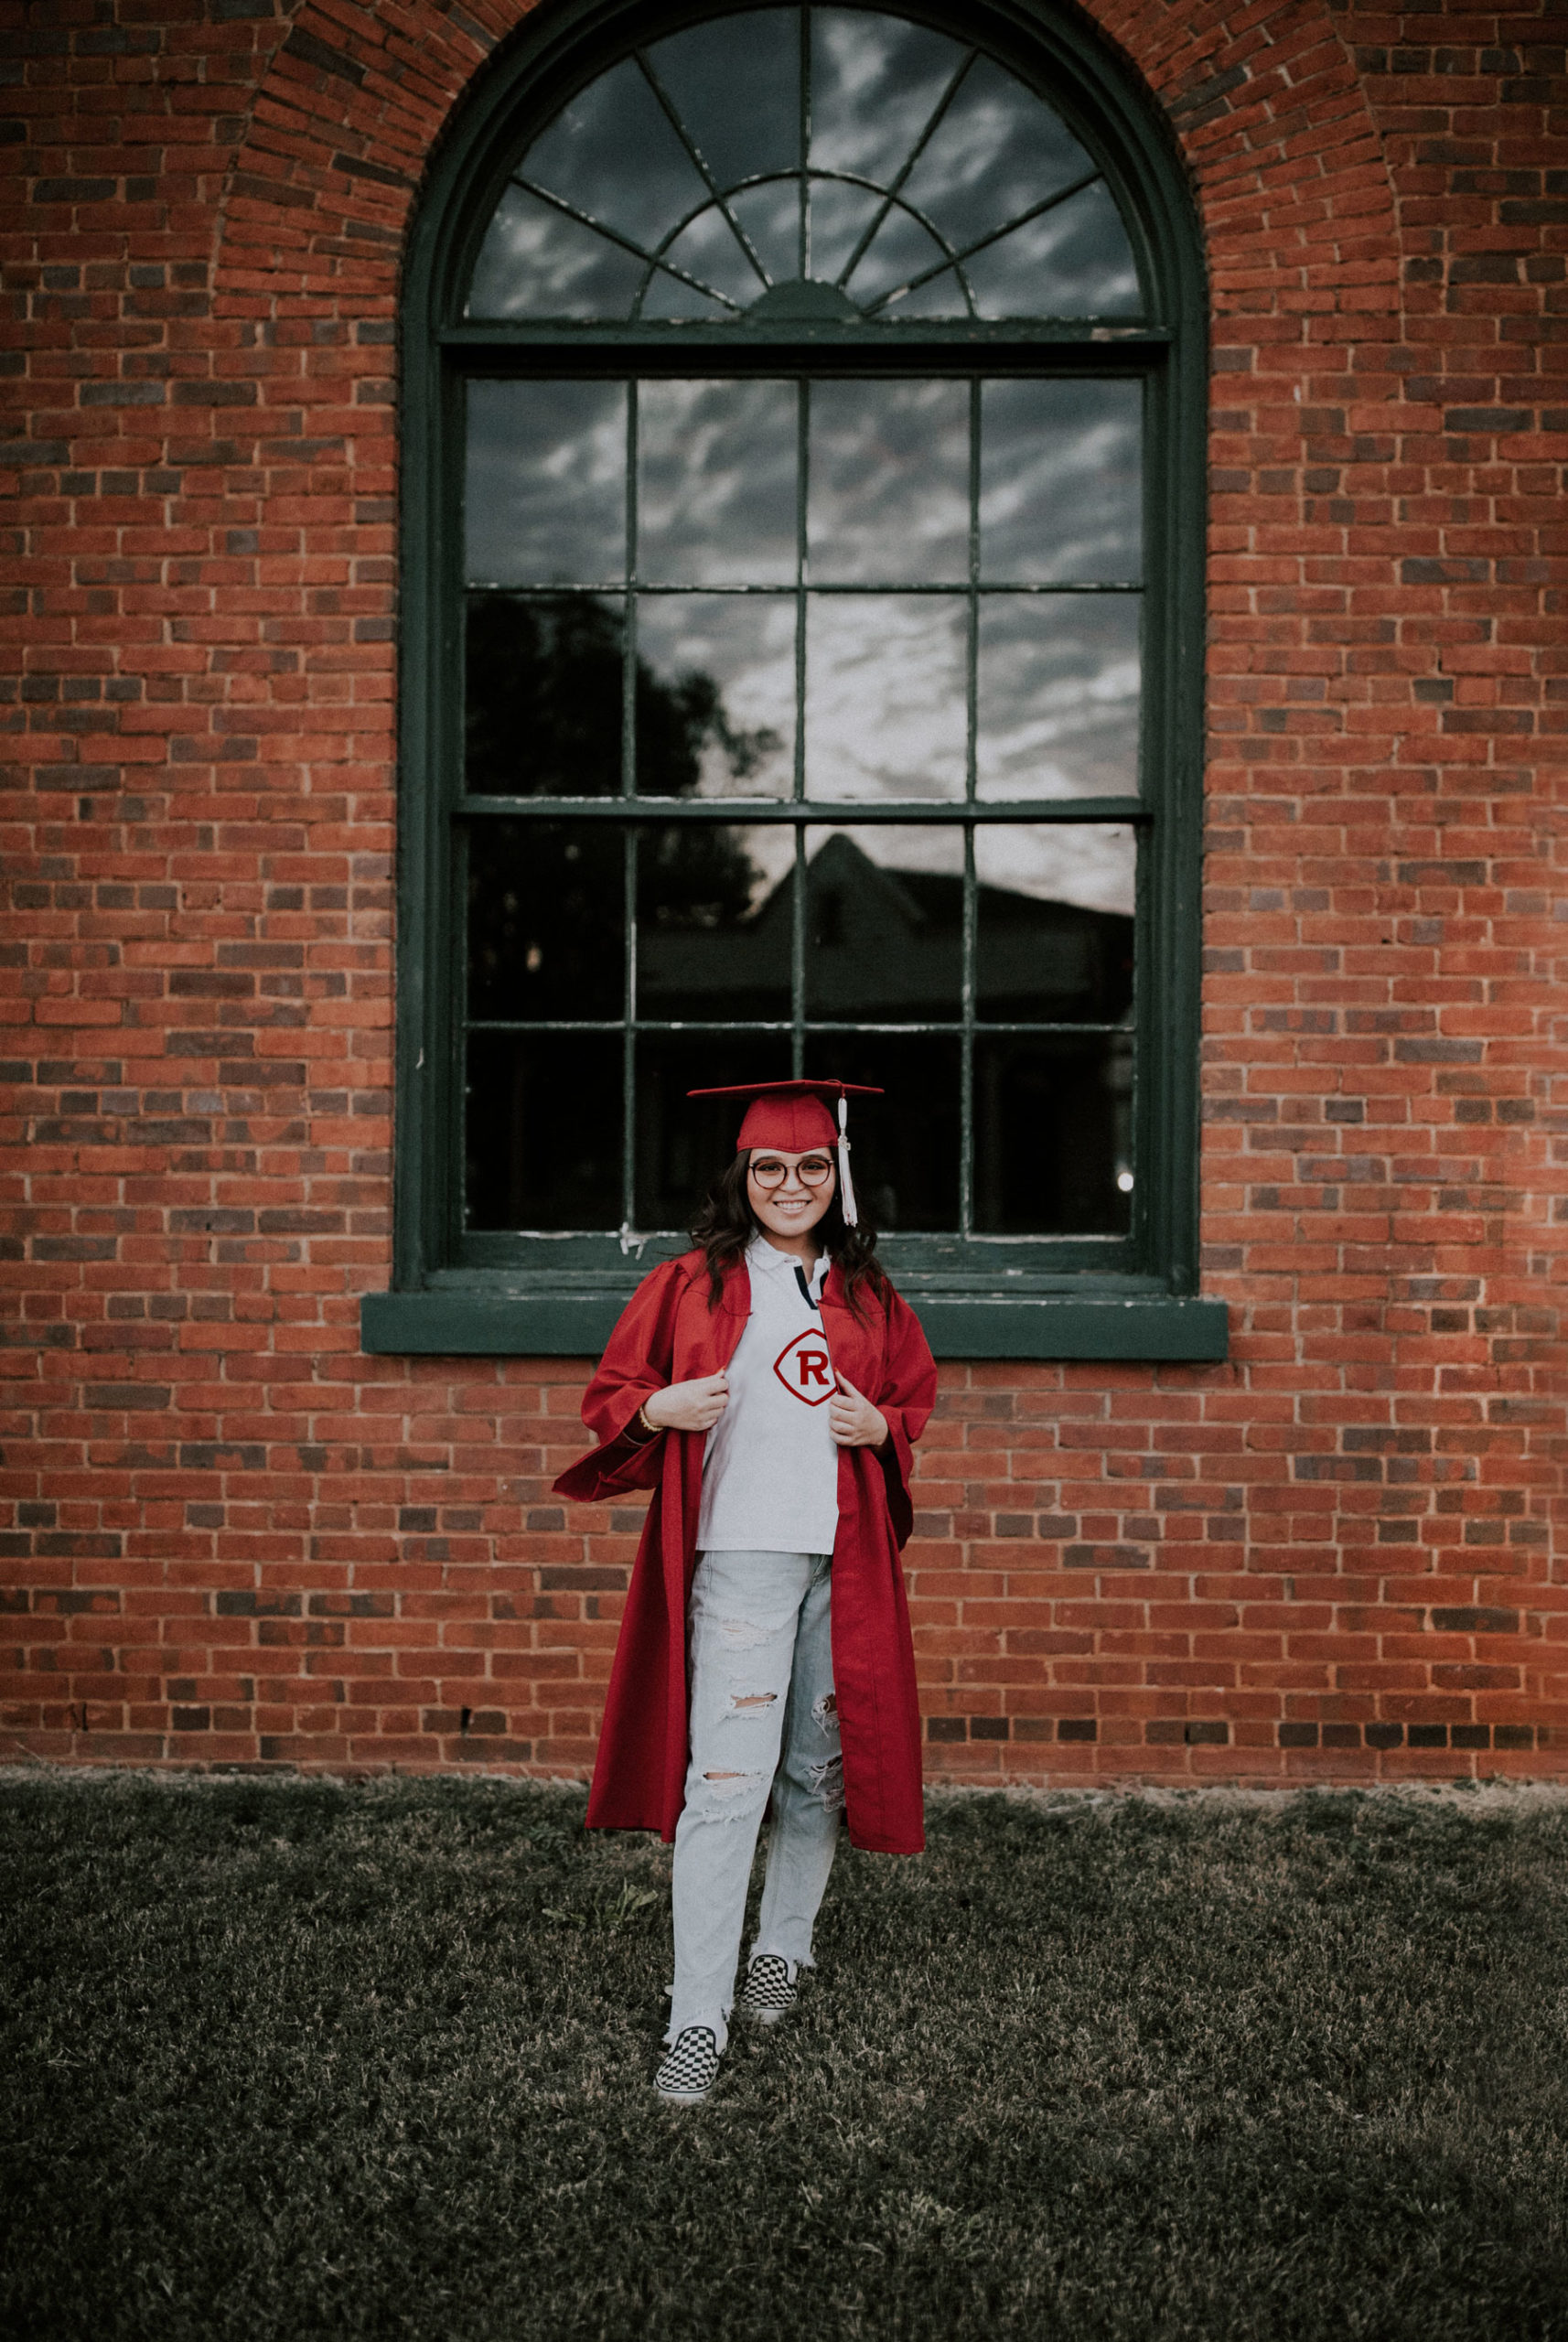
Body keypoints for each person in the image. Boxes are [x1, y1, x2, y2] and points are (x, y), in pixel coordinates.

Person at [553, 1078, 938, 2105]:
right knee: (725, 1790)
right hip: (740, 1559)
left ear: (837, 1175)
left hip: (842, 1559)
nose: (791, 1184)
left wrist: (882, 1432)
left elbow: (910, 1396)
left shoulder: (866, 1292)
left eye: (812, 1166)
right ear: (743, 1176)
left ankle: (784, 1950)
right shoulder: (690, 1283)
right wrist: (663, 1403)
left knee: (817, 1773)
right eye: (769, 1167)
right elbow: (611, 1398)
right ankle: (696, 2014)